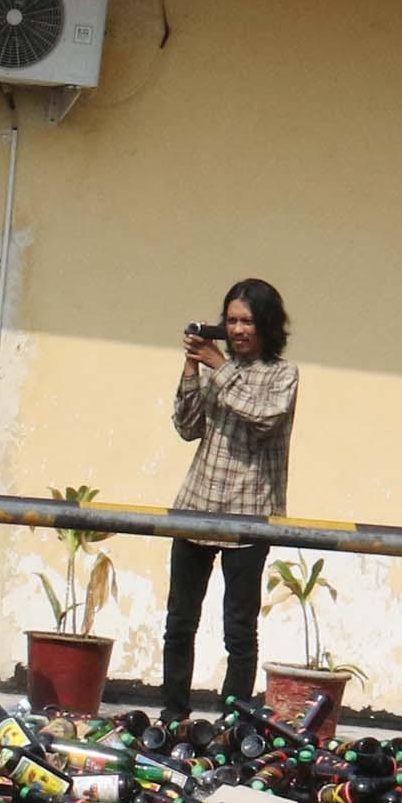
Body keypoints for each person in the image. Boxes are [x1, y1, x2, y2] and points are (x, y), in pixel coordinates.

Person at [161, 279, 299, 722]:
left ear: (267, 325)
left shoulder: (282, 374)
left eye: (247, 322)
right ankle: (173, 716)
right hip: (197, 506)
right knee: (179, 623)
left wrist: (218, 365)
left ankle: (232, 723)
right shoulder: (214, 368)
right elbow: (187, 427)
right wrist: (191, 368)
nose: (238, 330)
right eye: (232, 321)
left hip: (249, 514)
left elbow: (264, 417)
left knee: (238, 630)